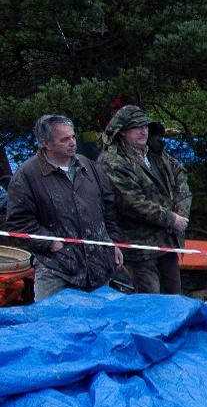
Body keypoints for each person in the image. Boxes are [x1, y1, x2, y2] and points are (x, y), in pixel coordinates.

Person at [6, 114, 122, 299]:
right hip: (56, 269)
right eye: (65, 139)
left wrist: (113, 242)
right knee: (52, 325)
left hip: (99, 267)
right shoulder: (27, 175)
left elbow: (108, 207)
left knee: (99, 325)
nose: (72, 142)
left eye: (73, 137)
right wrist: (51, 244)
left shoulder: (89, 167)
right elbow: (18, 222)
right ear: (46, 143)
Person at [96, 106, 191, 295]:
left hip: (167, 240)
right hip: (138, 247)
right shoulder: (112, 161)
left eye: (146, 126)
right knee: (149, 301)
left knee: (174, 297)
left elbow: (181, 182)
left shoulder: (157, 155)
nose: (143, 131)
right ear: (122, 131)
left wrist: (181, 214)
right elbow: (132, 202)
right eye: (136, 127)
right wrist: (170, 219)